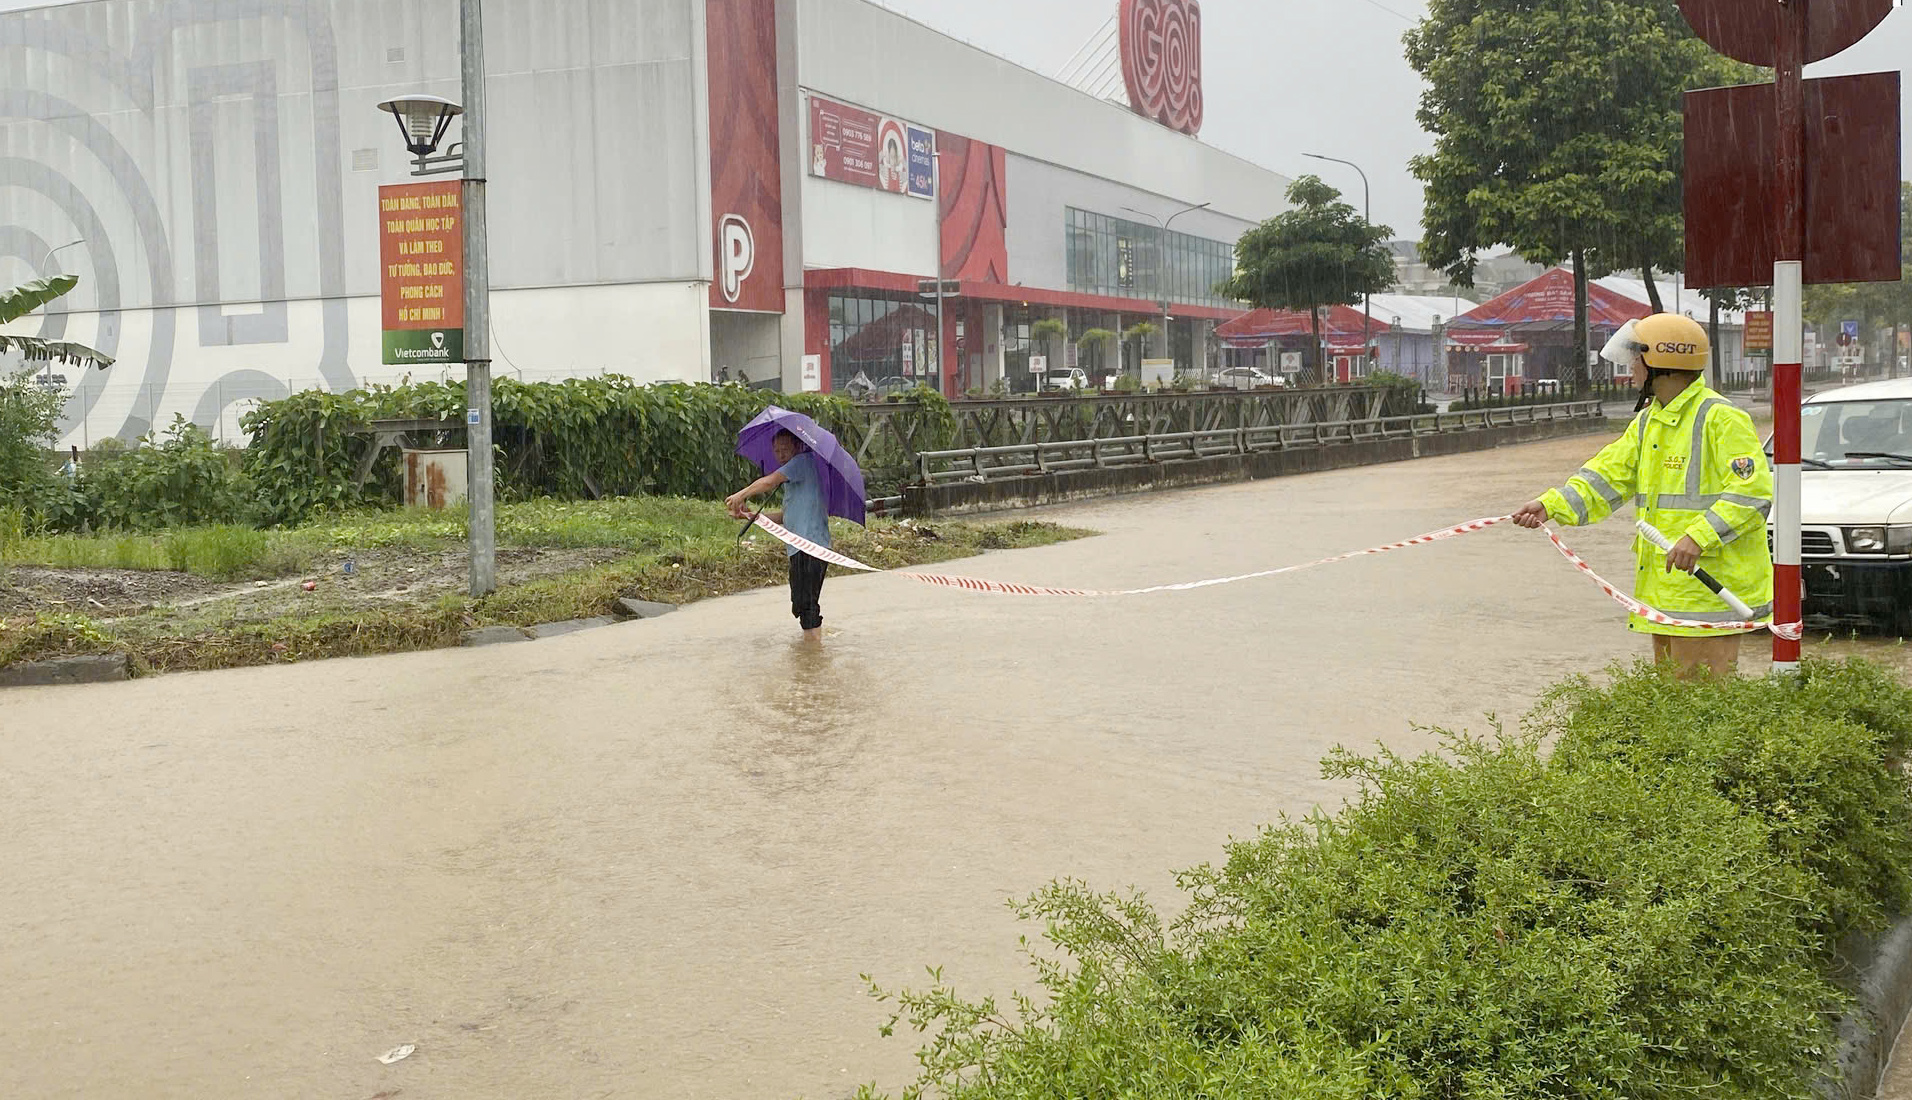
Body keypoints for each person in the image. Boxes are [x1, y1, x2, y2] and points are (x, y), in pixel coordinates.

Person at [1512, 313, 1774, 679]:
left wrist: (1697, 537)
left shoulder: (1721, 418)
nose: (1632, 368)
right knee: (1670, 699)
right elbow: (1606, 477)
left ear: (1660, 364)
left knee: (1701, 704)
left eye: (1637, 358)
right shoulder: (1650, 420)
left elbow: (1753, 492)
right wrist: (1551, 505)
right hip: (1666, 592)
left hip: (1708, 591)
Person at [726, 429, 831, 643]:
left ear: (797, 447)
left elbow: (768, 481)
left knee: (808, 604)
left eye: (785, 449)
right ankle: (811, 647)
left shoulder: (803, 461)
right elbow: (786, 516)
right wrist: (750, 515)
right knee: (800, 604)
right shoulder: (794, 480)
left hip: (811, 546)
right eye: (777, 450)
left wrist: (740, 494)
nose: (781, 454)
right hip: (798, 548)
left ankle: (812, 655)